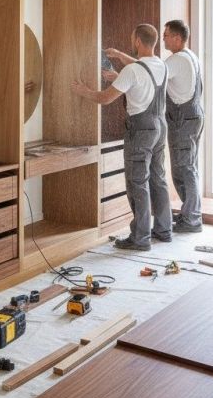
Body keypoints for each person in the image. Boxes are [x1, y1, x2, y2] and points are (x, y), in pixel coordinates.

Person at [71, 23, 171, 250]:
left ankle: (140, 237)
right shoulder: (161, 66)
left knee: (138, 182)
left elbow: (105, 98)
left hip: (140, 130)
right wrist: (117, 56)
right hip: (159, 126)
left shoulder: (132, 71)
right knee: (158, 178)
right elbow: (139, 68)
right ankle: (164, 230)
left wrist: (83, 91)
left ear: (137, 41)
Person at [162, 20, 204, 233]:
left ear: (178, 38)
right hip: (193, 116)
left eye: (167, 35)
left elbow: (152, 74)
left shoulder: (177, 60)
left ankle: (192, 220)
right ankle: (190, 215)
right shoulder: (191, 56)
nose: (163, 38)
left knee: (184, 169)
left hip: (183, 120)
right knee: (186, 167)